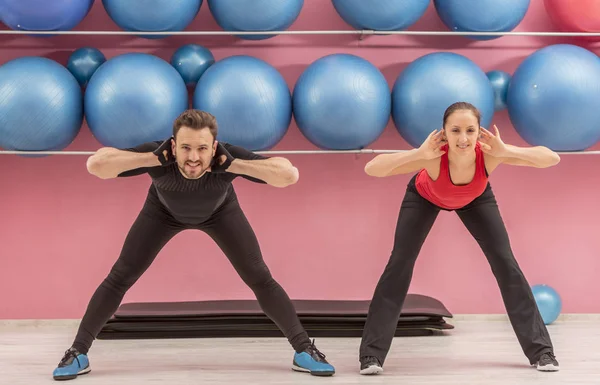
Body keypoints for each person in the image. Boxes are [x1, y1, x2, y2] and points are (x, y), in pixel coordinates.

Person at [52, 109, 335, 380]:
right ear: (173, 146)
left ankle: (303, 350)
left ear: (214, 148)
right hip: (161, 212)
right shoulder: (158, 154)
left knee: (260, 277)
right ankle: (78, 353)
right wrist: (151, 160)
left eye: (202, 148)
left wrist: (234, 165)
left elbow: (288, 175)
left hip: (221, 212)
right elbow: (96, 165)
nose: (193, 157)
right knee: (120, 276)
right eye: (185, 148)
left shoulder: (228, 157)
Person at [357, 102, 561, 375]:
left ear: (479, 132)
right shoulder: (433, 155)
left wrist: (507, 150)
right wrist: (417, 153)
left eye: (469, 130)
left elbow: (551, 158)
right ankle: (371, 356)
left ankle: (542, 353)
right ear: (444, 132)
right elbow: (373, 168)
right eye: (455, 130)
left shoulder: (489, 155)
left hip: (475, 199)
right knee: (400, 264)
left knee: (506, 264)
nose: (463, 139)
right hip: (424, 197)